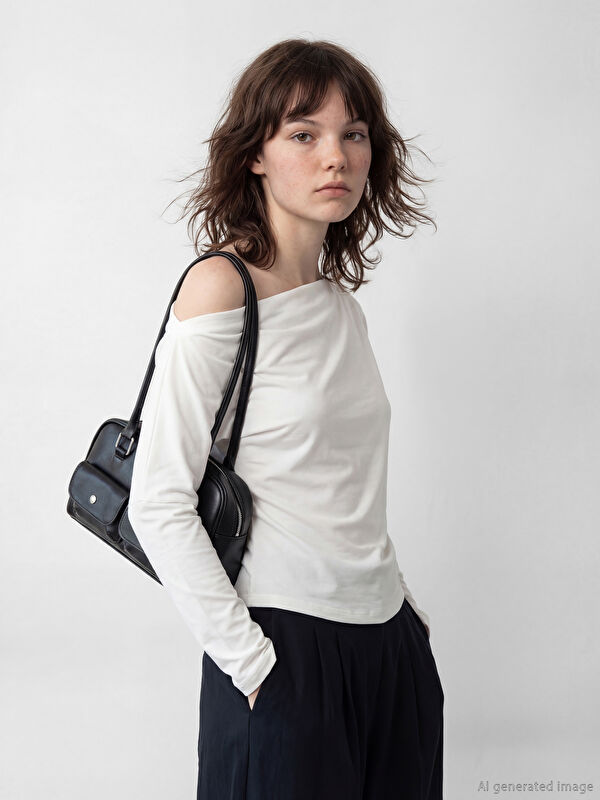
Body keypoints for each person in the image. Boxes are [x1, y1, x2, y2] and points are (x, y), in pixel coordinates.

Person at [128, 37, 444, 800]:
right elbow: (158, 499)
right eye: (304, 134)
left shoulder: (341, 308)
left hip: (390, 648)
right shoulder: (220, 288)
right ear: (255, 156)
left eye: (353, 133)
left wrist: (407, 617)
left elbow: (342, 483)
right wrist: (251, 664)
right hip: (284, 648)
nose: (336, 156)